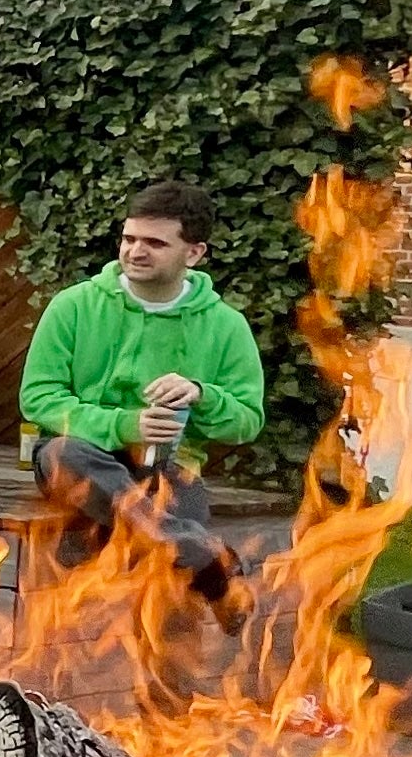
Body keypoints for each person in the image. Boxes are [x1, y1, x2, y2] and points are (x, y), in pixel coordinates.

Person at [18, 178, 268, 608]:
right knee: (63, 453)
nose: (135, 251)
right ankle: (181, 546)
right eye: (129, 238)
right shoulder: (73, 306)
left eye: (155, 243)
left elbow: (247, 421)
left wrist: (202, 395)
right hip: (83, 454)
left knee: (173, 591)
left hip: (171, 466)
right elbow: (38, 397)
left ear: (194, 253)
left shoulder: (225, 325)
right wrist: (125, 425)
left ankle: (181, 565)